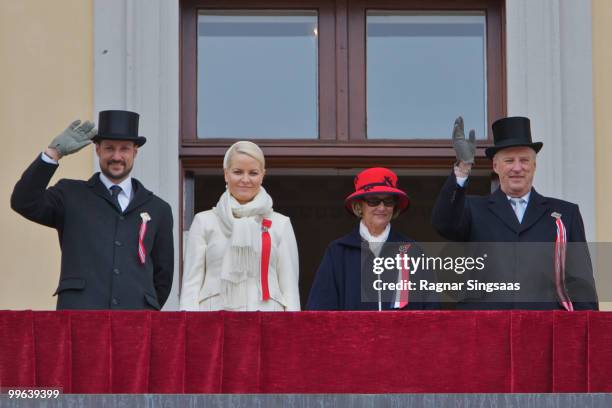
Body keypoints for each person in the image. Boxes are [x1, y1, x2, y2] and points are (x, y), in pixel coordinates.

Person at [11, 110, 174, 310]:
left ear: (135, 152)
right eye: (109, 148)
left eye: (124, 149)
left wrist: (143, 309)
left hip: (135, 323)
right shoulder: (70, 194)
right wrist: (53, 153)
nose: (116, 156)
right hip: (80, 318)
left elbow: (162, 277)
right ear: (97, 150)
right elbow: (23, 201)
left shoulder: (158, 209)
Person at [431, 116, 598, 310]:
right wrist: (462, 168)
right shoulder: (472, 209)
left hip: (544, 329)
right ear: (496, 166)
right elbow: (443, 224)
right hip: (485, 329)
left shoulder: (565, 214)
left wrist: (589, 331)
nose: (517, 168)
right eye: (509, 160)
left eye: (524, 160)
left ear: (534, 166)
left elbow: (580, 282)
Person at [180, 141, 300, 311]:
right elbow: (191, 286)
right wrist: (189, 329)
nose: (245, 179)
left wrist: (291, 332)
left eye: (253, 173)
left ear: (262, 175)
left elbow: (290, 289)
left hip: (268, 319)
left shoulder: (280, 224)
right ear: (226, 174)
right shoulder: (204, 221)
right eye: (237, 172)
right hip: (213, 320)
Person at [307, 167, 439, 310]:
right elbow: (320, 311)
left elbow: (432, 311)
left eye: (388, 201)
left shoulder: (414, 251)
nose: (382, 207)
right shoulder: (338, 252)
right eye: (373, 200)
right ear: (359, 206)